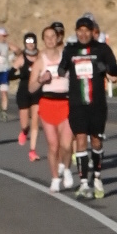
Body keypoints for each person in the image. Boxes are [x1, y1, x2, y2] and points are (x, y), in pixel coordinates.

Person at [61, 14, 117, 198]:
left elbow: (116, 69)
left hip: (97, 103)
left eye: (87, 31)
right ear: (76, 32)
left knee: (96, 140)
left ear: (92, 32)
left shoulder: (101, 49)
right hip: (77, 103)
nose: (83, 34)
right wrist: (60, 70)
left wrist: (105, 67)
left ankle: (97, 177)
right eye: (80, 31)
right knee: (80, 139)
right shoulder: (70, 50)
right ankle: (83, 183)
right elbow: (62, 68)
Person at [33, 24, 75, 189]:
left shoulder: (67, 57)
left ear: (58, 38)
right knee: (53, 145)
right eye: (47, 37)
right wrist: (41, 80)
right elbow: (31, 87)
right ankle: (55, 179)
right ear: (43, 40)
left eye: (53, 36)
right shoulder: (40, 60)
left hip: (66, 102)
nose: (50, 40)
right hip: (48, 103)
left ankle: (66, 169)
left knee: (66, 144)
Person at [15, 30, 40, 154]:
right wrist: (18, 75)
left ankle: (32, 150)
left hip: (37, 90)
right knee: (25, 124)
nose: (30, 44)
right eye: (28, 42)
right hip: (24, 91)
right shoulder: (21, 58)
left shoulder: (40, 57)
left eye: (32, 41)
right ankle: (24, 131)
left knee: (35, 120)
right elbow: (10, 73)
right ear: (25, 43)